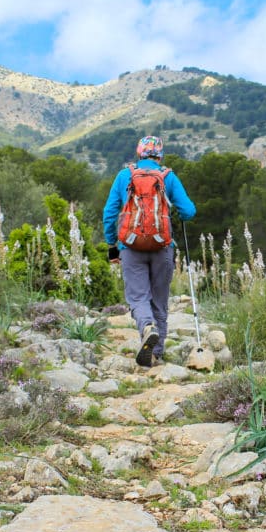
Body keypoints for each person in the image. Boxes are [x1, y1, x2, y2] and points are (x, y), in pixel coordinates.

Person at [103, 136, 196, 366]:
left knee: (138, 297)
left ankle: (146, 327)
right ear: (159, 155)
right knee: (160, 302)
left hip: (130, 246)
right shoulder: (168, 176)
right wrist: (179, 214)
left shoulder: (125, 176)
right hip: (162, 246)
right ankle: (157, 353)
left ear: (139, 153)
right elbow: (189, 211)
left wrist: (112, 245)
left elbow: (109, 213)